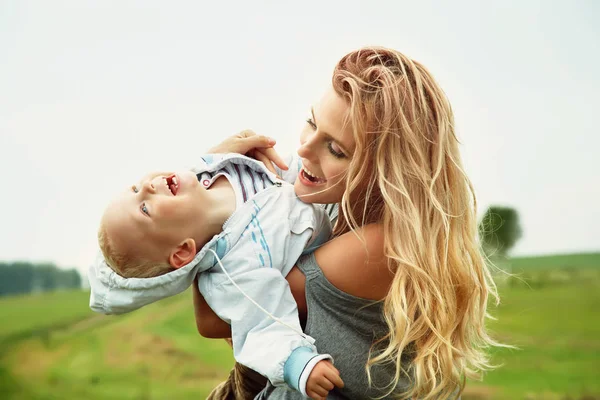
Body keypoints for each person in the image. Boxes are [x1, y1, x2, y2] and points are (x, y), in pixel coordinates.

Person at [194, 46, 500, 399]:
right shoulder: (345, 216)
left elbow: (218, 315)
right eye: (312, 122)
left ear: (387, 172)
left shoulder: (375, 247)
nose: (306, 149)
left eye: (336, 150)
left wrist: (214, 187)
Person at [87, 153, 344, 398]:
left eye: (134, 189)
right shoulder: (234, 271)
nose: (146, 187)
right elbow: (260, 324)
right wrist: (298, 364)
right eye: (145, 209)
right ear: (184, 252)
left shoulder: (216, 168)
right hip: (339, 235)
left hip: (330, 180)